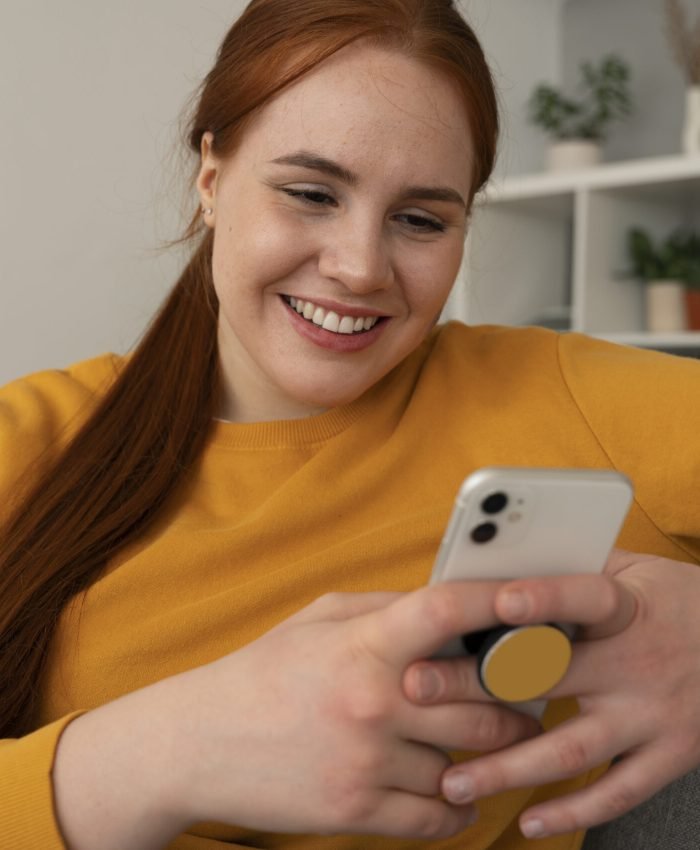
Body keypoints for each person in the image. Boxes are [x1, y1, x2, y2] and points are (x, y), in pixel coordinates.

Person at [1, 0, 699, 848]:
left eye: (421, 220)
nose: (361, 267)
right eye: (310, 193)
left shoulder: (564, 396)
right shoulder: (30, 440)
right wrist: (169, 750)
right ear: (212, 180)